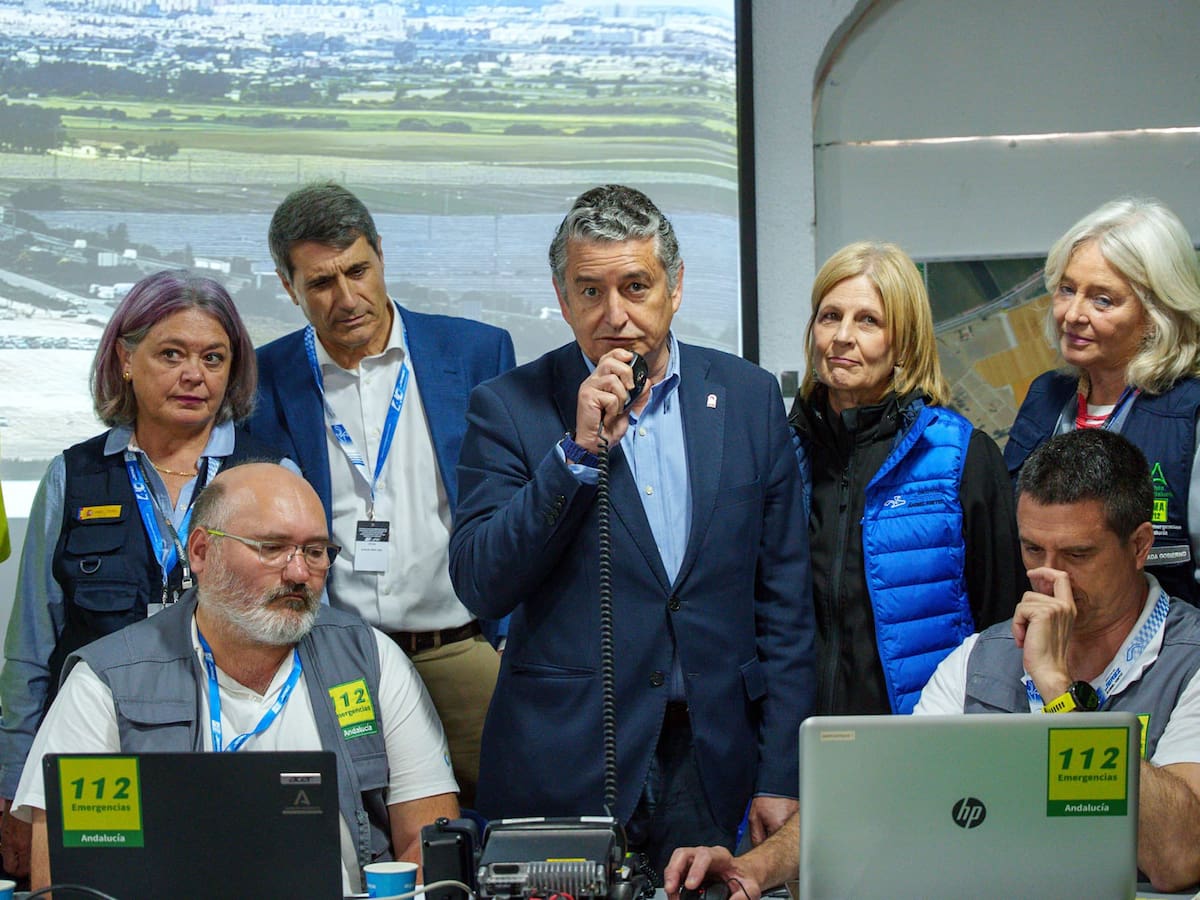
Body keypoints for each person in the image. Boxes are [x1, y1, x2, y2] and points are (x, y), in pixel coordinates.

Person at [449, 184, 814, 871]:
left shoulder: (747, 398)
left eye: (636, 286)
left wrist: (780, 772)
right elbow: (481, 581)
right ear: (562, 300)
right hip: (567, 756)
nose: (614, 314)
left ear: (675, 289)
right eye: (590, 291)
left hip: (712, 760)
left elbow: (786, 604)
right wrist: (575, 457)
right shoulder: (507, 407)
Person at [665, 429, 1200, 896]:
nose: (1046, 576)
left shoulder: (1190, 659)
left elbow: (1176, 858)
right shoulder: (979, 659)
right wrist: (751, 868)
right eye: (1032, 549)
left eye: (1078, 555)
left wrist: (1058, 689)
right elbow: (878, 795)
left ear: (1139, 546)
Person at [10, 462, 459, 894]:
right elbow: (65, 881)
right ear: (202, 551)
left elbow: (426, 852)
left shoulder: (371, 660)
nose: (299, 573)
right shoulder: (106, 683)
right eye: (272, 548)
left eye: (315, 551)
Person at [0, 270, 288, 879]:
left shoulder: (270, 472)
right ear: (126, 360)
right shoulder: (73, 476)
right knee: (101, 889)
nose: (195, 375)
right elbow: (31, 650)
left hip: (239, 748)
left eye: (214, 357)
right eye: (172, 354)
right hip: (100, 761)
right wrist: (14, 792)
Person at [248, 182, 515, 807]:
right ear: (289, 288)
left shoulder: (475, 352)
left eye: (358, 271)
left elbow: (512, 499)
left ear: (381, 257)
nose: (346, 298)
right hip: (337, 652)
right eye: (320, 283)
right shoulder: (264, 378)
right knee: (348, 823)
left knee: (506, 812)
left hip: (459, 644)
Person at [788, 241, 1021, 715]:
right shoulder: (782, 454)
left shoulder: (961, 457)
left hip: (922, 741)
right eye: (830, 316)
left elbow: (1004, 623)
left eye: (868, 320)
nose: (842, 337)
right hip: (800, 745)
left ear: (904, 341)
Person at [1004, 198, 1200, 605]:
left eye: (1102, 300)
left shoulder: (1189, 414)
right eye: (1067, 289)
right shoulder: (1045, 398)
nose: (1073, 314)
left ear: (1156, 314)